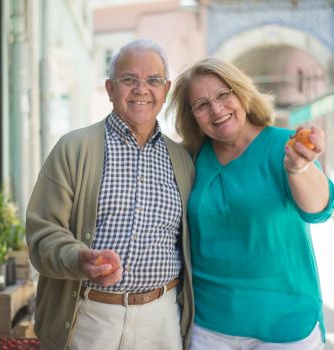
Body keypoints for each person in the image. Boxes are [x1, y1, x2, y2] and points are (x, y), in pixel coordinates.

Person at [26, 39, 195, 350]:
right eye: (129, 79)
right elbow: (42, 232)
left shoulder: (182, 160)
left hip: (162, 319)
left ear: (166, 89)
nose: (142, 89)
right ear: (109, 89)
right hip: (90, 316)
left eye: (154, 80)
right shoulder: (74, 148)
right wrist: (79, 259)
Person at [167, 57, 334, 350]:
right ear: (192, 115)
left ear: (241, 92)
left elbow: (319, 209)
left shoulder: (285, 145)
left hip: (285, 325)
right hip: (209, 326)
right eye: (202, 105)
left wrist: (299, 168)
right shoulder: (191, 160)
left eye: (223, 95)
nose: (217, 110)